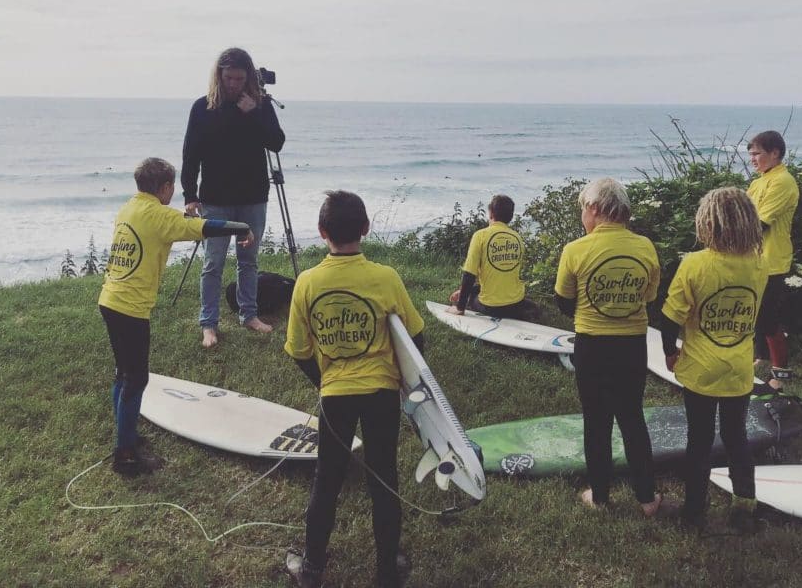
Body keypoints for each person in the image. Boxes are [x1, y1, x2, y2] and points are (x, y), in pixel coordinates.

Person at [283, 191, 424, 588]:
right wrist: (403, 383)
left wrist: (325, 380)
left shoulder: (307, 283)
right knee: (383, 477)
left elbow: (297, 350)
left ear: (321, 232)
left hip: (335, 396)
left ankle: (311, 570)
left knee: (327, 479)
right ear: (365, 228)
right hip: (381, 393)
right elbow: (416, 337)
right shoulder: (385, 277)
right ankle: (386, 572)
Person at [97, 158, 253, 476]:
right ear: (166, 188)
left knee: (122, 374)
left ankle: (125, 436)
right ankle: (125, 455)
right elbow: (203, 227)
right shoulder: (159, 216)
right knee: (136, 379)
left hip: (109, 299)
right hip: (131, 309)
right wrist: (243, 227)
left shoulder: (129, 208)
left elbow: (168, 221)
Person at [554, 178, 666, 516]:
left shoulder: (576, 249)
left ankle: (600, 497)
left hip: (592, 346)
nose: (582, 218)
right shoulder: (645, 247)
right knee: (633, 418)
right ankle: (647, 499)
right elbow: (648, 297)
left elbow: (563, 301)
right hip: (632, 345)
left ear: (593, 208)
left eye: (582, 210)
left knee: (596, 422)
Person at [659, 187, 768, 532]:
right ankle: (745, 508)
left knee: (699, 441)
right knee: (737, 438)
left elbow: (670, 318)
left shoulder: (694, 264)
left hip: (702, 371)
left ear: (707, 223)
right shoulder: (758, 264)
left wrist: (669, 351)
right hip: (738, 368)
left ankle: (693, 512)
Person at [181, 47, 286, 349]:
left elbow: (276, 143)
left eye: (240, 78)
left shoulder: (260, 106)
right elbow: (191, 153)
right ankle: (209, 324)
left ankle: (249, 314)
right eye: (228, 78)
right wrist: (190, 194)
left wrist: (254, 112)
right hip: (215, 197)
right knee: (213, 263)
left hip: (253, 195)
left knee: (248, 261)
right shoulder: (203, 107)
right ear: (219, 75)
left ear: (248, 77)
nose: (233, 84)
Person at [746, 130, 799, 390]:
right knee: (754, 313)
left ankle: (781, 374)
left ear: (775, 153)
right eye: (751, 154)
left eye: (757, 154)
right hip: (753, 258)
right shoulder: (759, 181)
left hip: (771, 260)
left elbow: (760, 223)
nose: (752, 159)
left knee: (768, 318)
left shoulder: (783, 182)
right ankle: (761, 357)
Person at [447, 194, 536, 320]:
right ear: (510, 217)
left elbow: (469, 275)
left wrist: (459, 307)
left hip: (491, 307)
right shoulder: (517, 238)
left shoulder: (480, 236)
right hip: (516, 304)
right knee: (481, 287)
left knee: (473, 296)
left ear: (491, 214)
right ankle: (525, 311)